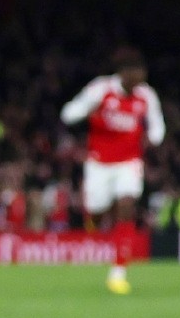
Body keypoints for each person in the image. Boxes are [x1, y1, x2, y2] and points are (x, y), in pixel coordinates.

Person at [60, 47, 165, 294]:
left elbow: (158, 126)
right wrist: (85, 111)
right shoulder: (101, 89)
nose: (141, 76)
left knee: (126, 206)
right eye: (137, 71)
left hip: (129, 163)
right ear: (123, 73)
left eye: (142, 71)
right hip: (99, 164)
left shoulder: (147, 96)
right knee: (97, 211)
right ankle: (93, 220)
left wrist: (154, 137)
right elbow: (69, 113)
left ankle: (118, 273)